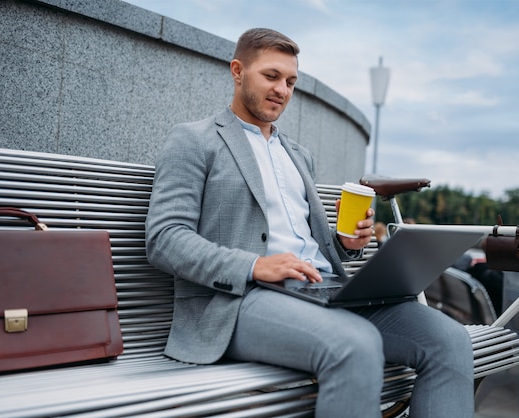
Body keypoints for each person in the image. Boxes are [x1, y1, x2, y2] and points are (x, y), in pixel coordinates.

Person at [146, 27, 474, 417]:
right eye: (271, 76)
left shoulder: (298, 155)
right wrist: (254, 265)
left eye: (290, 81)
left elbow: (310, 248)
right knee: (355, 343)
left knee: (451, 340)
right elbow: (165, 238)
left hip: (324, 290)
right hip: (240, 301)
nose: (282, 90)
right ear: (237, 71)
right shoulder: (194, 141)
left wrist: (345, 243)